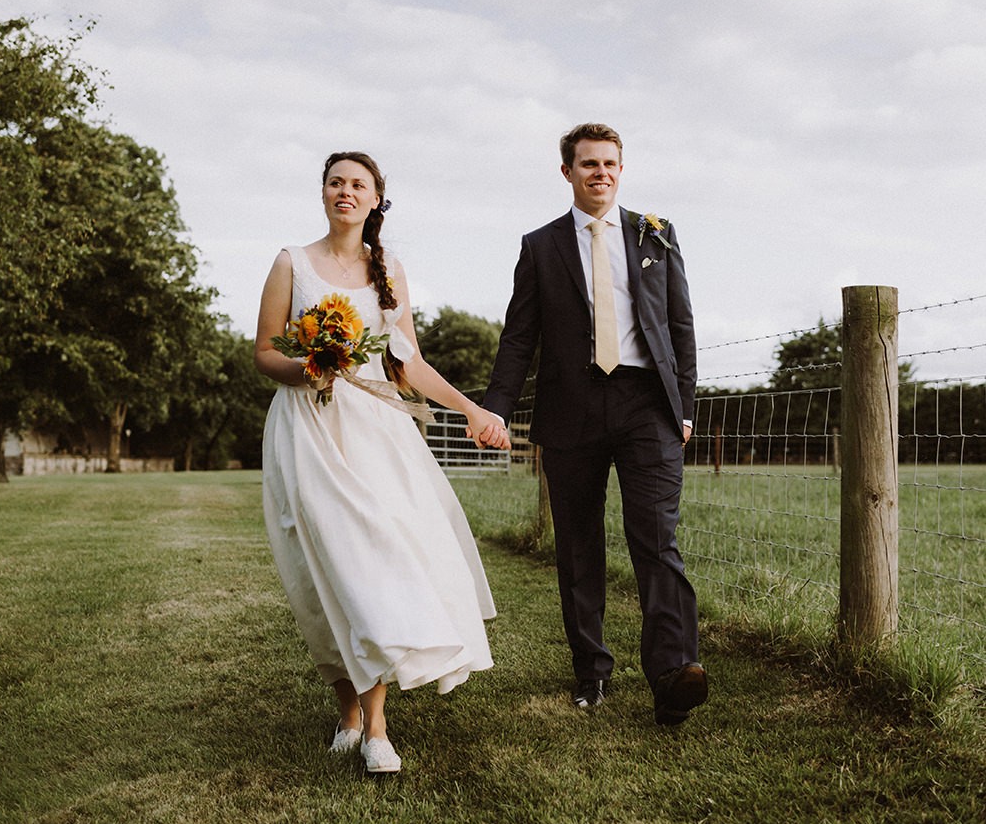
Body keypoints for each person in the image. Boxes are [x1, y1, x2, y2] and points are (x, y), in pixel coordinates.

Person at [254, 150, 509, 775]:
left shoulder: (388, 269)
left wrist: (472, 410)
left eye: (358, 184)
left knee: (375, 562)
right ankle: (347, 710)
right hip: (309, 429)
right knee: (324, 571)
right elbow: (263, 352)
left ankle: (376, 726)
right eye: (336, 181)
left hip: (377, 431)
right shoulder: (292, 263)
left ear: (375, 200)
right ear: (322, 193)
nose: (346, 191)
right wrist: (311, 366)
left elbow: (409, 365)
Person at [482, 123, 706, 726]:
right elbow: (519, 337)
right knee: (578, 546)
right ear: (568, 173)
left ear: (621, 170)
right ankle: (592, 672)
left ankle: (672, 674)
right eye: (588, 164)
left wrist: (683, 406)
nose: (599, 173)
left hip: (647, 407)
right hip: (571, 406)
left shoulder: (655, 234)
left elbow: (681, 326)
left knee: (657, 539)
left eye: (609, 163)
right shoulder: (540, 246)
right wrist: (496, 408)